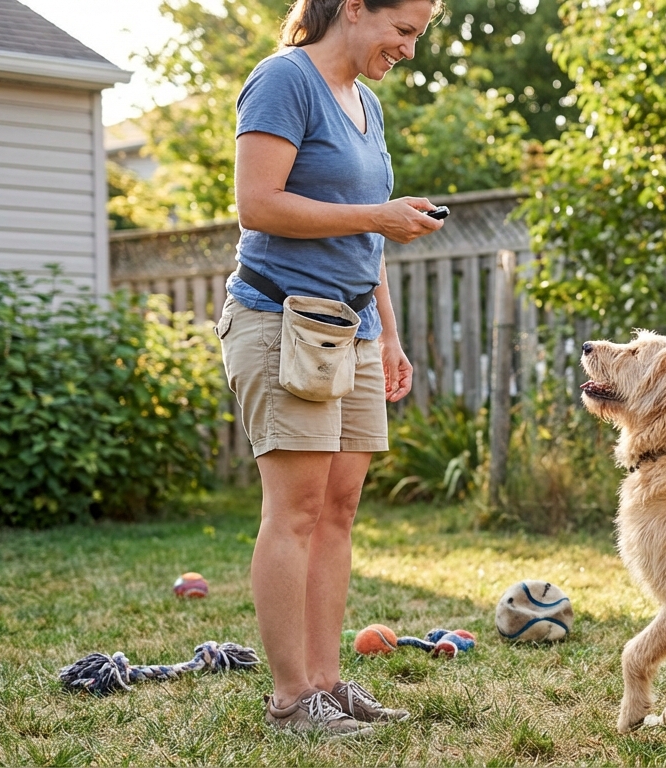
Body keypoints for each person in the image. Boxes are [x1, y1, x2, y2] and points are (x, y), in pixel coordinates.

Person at [216, 0, 444, 736]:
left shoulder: (365, 102)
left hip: (354, 327)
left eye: (419, 34)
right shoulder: (284, 79)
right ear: (352, 8)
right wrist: (378, 216)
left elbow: (365, 231)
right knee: (297, 510)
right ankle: (291, 699)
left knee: (339, 509)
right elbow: (259, 205)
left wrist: (389, 335)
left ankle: (327, 683)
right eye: (402, 30)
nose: (409, 48)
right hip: (282, 320)